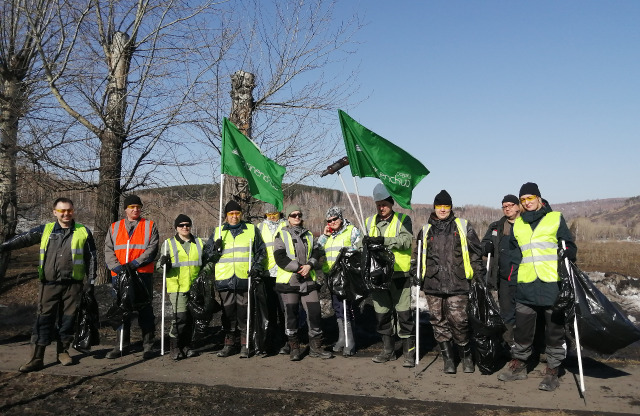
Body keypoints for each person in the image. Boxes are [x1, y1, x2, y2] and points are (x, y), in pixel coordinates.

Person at [0, 197, 96, 372]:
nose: (66, 213)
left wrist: (90, 281)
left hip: (73, 285)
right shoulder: (46, 230)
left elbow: (92, 258)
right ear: (55, 212)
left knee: (68, 320)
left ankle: (63, 352)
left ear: (73, 211)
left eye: (69, 210)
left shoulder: (83, 231)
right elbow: (24, 239)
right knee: (43, 320)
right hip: (49, 285)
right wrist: (3, 246)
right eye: (62, 211)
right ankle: (37, 357)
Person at [497, 182, 577, 392]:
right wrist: (512, 277)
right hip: (526, 283)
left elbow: (568, 243)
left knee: (554, 329)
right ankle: (519, 364)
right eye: (523, 200)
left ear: (539, 199)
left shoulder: (555, 218)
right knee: (522, 328)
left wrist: (569, 251)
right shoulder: (519, 224)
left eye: (530, 198)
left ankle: (553, 369)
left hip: (551, 283)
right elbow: (515, 254)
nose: (527, 202)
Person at [413, 190, 484, 374]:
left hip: (458, 283)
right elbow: (418, 255)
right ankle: (448, 359)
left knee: (459, 321)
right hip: (432, 284)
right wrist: (416, 273)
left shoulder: (463, 226)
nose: (442, 210)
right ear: (434, 207)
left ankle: (466, 356)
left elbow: (475, 253)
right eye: (439, 206)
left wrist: (479, 275)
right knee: (438, 321)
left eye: (446, 206)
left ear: (451, 207)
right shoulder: (426, 230)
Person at [202, 200, 266, 358]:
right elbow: (207, 255)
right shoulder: (218, 232)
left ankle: (245, 345)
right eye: (231, 214)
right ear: (226, 216)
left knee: (245, 313)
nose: (234, 216)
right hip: (225, 279)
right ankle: (229, 344)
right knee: (228, 313)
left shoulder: (251, 229)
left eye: (237, 213)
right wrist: (215, 250)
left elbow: (261, 251)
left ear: (241, 214)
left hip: (245, 278)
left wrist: (257, 267)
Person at [362, 183, 415, 368]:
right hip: (377, 277)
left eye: (384, 204)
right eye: (378, 204)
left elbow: (406, 240)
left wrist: (383, 241)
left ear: (391, 203)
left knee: (404, 314)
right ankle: (388, 350)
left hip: (400, 274)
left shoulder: (403, 219)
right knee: (382, 314)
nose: (381, 208)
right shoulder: (368, 222)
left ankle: (409, 353)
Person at [273, 205, 333, 361]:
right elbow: (279, 258)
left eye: (299, 214)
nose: (297, 217)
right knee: (291, 316)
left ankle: (316, 348)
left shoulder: (308, 234)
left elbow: (315, 252)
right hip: (289, 282)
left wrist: (309, 265)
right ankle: (294, 347)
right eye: (293, 215)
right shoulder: (281, 234)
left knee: (314, 313)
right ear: (288, 217)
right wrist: (299, 268)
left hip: (308, 281)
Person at [104, 194, 159, 360]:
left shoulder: (150, 226)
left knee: (145, 310)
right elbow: (108, 250)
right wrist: (117, 267)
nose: (135, 209)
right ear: (125, 209)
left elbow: (152, 248)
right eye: (131, 207)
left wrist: (135, 264)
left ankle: (148, 346)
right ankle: (121, 346)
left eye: (138, 207)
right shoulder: (114, 227)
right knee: (122, 310)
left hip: (141, 274)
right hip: (120, 275)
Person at [157, 214, 205, 360]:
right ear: (176, 227)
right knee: (180, 318)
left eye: (187, 225)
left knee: (191, 318)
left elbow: (205, 263)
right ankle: (175, 346)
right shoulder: (168, 243)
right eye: (181, 225)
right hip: (177, 287)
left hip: (195, 287)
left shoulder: (199, 243)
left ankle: (186, 346)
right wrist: (164, 264)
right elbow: (159, 268)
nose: (185, 227)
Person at [317, 206, 362, 357]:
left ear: (341, 218)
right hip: (331, 277)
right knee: (337, 307)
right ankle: (342, 339)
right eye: (329, 220)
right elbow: (316, 249)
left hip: (346, 277)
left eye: (335, 219)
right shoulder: (329, 235)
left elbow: (360, 249)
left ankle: (350, 341)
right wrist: (324, 235)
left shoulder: (352, 230)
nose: (332, 222)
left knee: (346, 307)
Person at [481, 194, 521, 346]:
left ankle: (526, 344)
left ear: (518, 206)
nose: (507, 208)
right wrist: (486, 247)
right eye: (504, 206)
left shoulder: (526, 225)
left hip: (524, 277)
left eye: (510, 205)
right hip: (503, 278)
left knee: (524, 313)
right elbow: (483, 244)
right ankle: (508, 344)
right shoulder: (496, 227)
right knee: (506, 313)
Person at [255, 204, 288, 356]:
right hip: (267, 275)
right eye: (269, 214)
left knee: (285, 311)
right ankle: (270, 343)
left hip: (284, 274)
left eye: (274, 214)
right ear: (265, 215)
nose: (272, 217)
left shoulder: (285, 224)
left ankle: (287, 342)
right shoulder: (259, 228)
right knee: (268, 312)